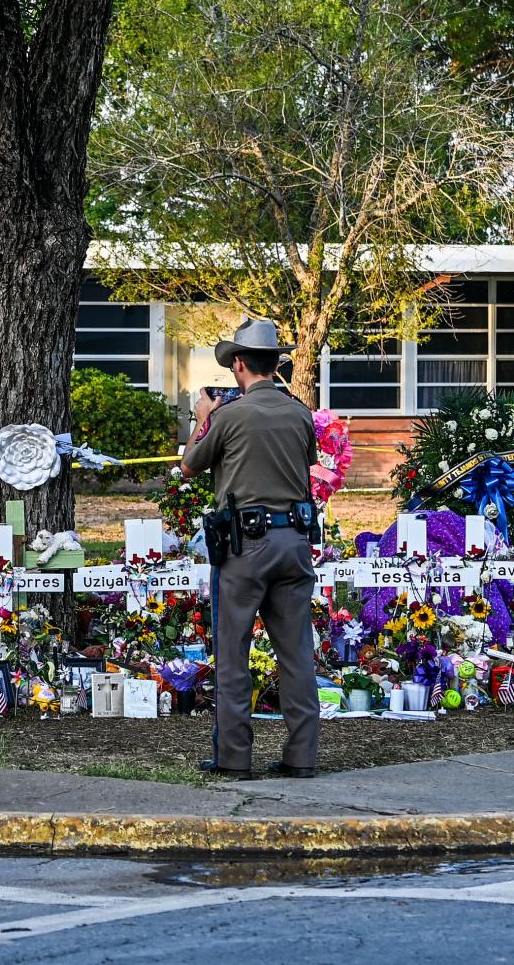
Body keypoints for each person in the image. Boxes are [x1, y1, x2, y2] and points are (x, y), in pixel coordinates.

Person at [181, 318, 320, 780]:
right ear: (274, 363)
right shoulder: (300, 412)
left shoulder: (229, 416)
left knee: (234, 650)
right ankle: (302, 756)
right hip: (295, 542)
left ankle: (234, 757)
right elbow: (307, 463)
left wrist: (203, 420)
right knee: (297, 652)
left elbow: (189, 466)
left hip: (246, 546)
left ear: (238, 363)